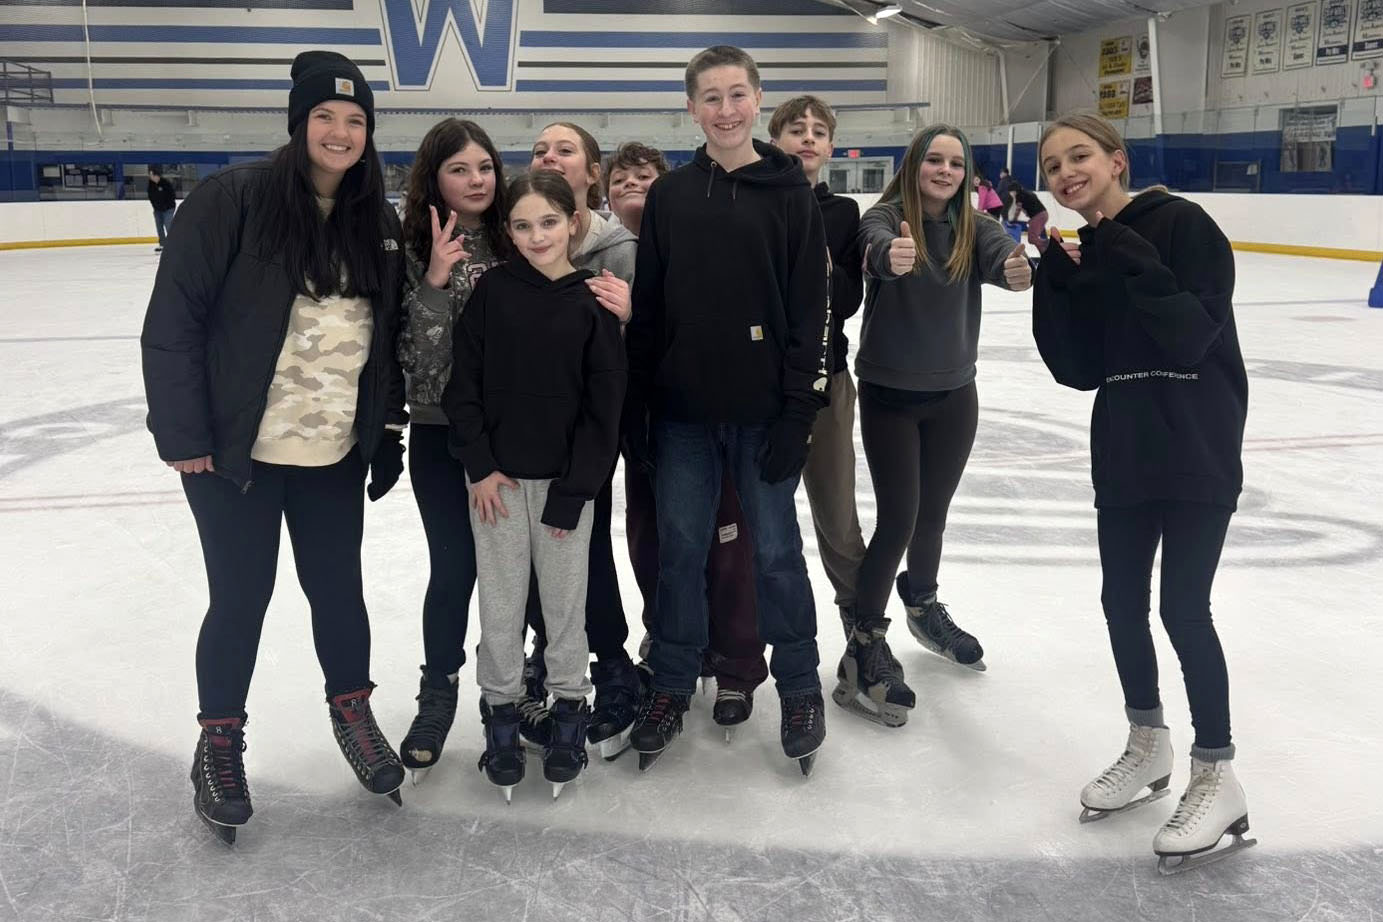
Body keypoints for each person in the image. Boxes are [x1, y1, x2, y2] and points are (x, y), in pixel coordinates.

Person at [141, 50, 410, 843]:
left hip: (330, 452)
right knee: (241, 598)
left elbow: (387, 335)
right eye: (325, 117)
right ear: (297, 126)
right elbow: (174, 323)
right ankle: (218, 743)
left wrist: (383, 428)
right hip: (235, 457)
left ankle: (353, 715)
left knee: (338, 591)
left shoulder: (375, 221)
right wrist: (185, 434)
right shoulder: (233, 198)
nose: (340, 131)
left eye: (355, 120)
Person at [1032, 112, 1252, 873]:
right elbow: (1079, 367)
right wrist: (1055, 283)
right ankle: (1147, 743)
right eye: (1053, 163)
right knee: (1119, 604)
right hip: (1123, 445)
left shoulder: (1184, 224)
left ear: (1116, 160)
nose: (1066, 171)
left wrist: (1121, 248)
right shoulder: (1090, 248)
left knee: (1182, 609)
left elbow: (1192, 332)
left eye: (1079, 155)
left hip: (1195, 443)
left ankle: (1217, 772)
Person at [625, 45, 831, 776]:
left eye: (736, 95)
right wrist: (638, 410)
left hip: (762, 414)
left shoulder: (789, 194)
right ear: (690, 109)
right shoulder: (673, 197)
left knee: (776, 554)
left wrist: (796, 414)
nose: (724, 109)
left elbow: (811, 314)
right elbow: (647, 309)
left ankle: (801, 686)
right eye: (709, 98)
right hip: (682, 415)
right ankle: (672, 683)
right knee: (680, 553)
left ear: (756, 98)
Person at [442, 170, 626, 801]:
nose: (536, 235)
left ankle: (570, 709)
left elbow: (606, 407)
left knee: (564, 605)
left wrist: (577, 488)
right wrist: (479, 465)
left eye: (548, 222)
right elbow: (462, 386)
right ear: (509, 232)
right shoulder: (492, 292)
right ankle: (501, 715)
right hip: (496, 485)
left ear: (572, 222)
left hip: (564, 491)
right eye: (521, 225)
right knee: (498, 606)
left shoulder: (592, 302)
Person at [849, 125, 1031, 726]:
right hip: (889, 395)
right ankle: (866, 641)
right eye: (935, 159)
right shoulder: (883, 218)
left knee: (933, 515)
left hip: (955, 394)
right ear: (914, 164)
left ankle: (922, 604)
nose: (945, 170)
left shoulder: (975, 228)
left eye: (956, 162)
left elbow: (1002, 253)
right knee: (898, 517)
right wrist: (889, 257)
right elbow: (872, 245)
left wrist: (1016, 268)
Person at [606, 139, 766, 742]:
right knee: (652, 541)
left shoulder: (695, 239)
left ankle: (736, 656)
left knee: (726, 538)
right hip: (635, 424)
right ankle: (672, 636)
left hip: (701, 418)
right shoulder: (596, 250)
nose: (631, 185)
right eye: (619, 178)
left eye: (644, 176)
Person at [393, 118, 510, 782]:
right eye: (459, 170)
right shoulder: (412, 248)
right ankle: (437, 695)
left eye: (484, 167)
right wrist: (435, 281)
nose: (475, 181)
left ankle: (516, 692)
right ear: (433, 179)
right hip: (441, 437)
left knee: (515, 573)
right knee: (456, 568)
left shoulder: (519, 233)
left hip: (514, 439)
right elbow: (418, 364)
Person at [522, 121, 639, 760]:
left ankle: (613, 657)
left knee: (584, 541)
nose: (550, 157)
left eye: (565, 150)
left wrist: (632, 312)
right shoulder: (521, 232)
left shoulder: (616, 249)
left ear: (592, 173)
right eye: (541, 150)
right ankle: (549, 651)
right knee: (536, 550)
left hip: (592, 429)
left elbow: (643, 341)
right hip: (529, 430)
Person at [767, 95, 867, 641]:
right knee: (760, 523)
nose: (808, 138)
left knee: (837, 515)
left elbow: (849, 300)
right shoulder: (754, 202)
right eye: (796, 129)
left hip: (828, 383)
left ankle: (862, 629)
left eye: (819, 131)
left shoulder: (842, 213)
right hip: (760, 386)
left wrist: (823, 265)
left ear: (830, 147)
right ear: (775, 139)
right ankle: (740, 639)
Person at [1004, 177, 1049, 247]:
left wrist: (1013, 220)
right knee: (1039, 235)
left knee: (1032, 239)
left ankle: (1049, 244)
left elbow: (1018, 209)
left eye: (1010, 191)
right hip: (1044, 214)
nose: (1010, 194)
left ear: (1014, 191)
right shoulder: (1028, 193)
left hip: (1038, 216)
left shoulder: (1019, 196)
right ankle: (1046, 246)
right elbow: (1031, 206)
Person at [147, 167, 177, 253]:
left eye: (151, 175)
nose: (150, 177)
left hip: (168, 209)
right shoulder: (151, 184)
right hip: (157, 210)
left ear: (157, 176)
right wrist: (155, 207)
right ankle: (162, 244)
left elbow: (172, 196)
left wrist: (166, 206)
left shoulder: (165, 183)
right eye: (150, 175)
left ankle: (173, 244)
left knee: (168, 225)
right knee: (159, 226)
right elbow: (150, 196)